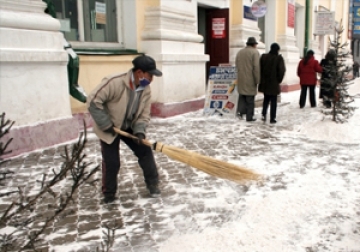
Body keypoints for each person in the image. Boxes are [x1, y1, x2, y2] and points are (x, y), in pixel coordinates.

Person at [87, 55, 163, 203]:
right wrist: (105, 124)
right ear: (139, 72)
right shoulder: (114, 82)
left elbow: (144, 114)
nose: (151, 79)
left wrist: (139, 130)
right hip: (109, 126)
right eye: (150, 75)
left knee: (145, 152)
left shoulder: (145, 89)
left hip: (129, 127)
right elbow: (93, 101)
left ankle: (153, 184)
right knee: (112, 162)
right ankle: (109, 193)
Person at [258, 43, 286, 124]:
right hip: (274, 83)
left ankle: (263, 114)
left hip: (265, 83)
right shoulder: (279, 58)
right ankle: (272, 118)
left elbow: (260, 69)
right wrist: (278, 80)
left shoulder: (264, 57)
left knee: (266, 99)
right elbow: (282, 71)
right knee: (273, 101)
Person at [235, 37, 260, 121]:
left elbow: (237, 65)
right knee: (250, 99)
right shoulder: (255, 52)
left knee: (242, 96)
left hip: (241, 78)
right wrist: (258, 80)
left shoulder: (240, 52)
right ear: (253, 45)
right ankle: (249, 116)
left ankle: (240, 113)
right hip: (250, 79)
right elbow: (256, 67)